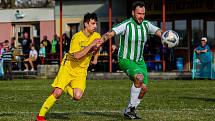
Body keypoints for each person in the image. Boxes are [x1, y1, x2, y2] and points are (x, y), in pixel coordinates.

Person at [36, 12, 103, 121]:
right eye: (93, 23)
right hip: (68, 67)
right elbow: (77, 56)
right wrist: (91, 45)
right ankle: (40, 116)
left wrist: (95, 59)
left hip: (81, 71)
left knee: (77, 96)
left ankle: (66, 87)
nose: (95, 26)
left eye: (96, 24)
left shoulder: (97, 36)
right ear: (86, 24)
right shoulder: (76, 37)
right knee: (57, 92)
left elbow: (98, 47)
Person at [104, 1, 163, 119]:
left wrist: (168, 36)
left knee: (144, 89)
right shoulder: (126, 24)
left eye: (143, 13)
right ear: (133, 13)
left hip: (139, 61)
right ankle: (131, 109)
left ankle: (129, 110)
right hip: (125, 59)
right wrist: (102, 39)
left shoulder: (146, 25)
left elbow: (159, 32)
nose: (141, 16)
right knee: (139, 78)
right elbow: (111, 32)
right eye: (139, 13)